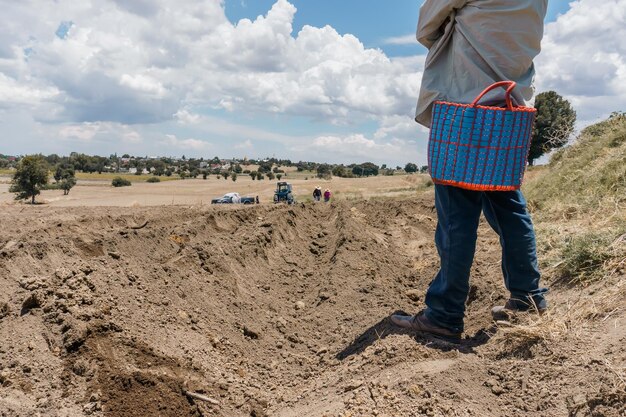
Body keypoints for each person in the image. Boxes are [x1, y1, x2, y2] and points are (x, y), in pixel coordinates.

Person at [390, 0, 549, 343]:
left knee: (456, 216)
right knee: (509, 206)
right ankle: (528, 298)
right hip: (510, 107)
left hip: (465, 103)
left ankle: (444, 315)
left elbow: (425, 28)